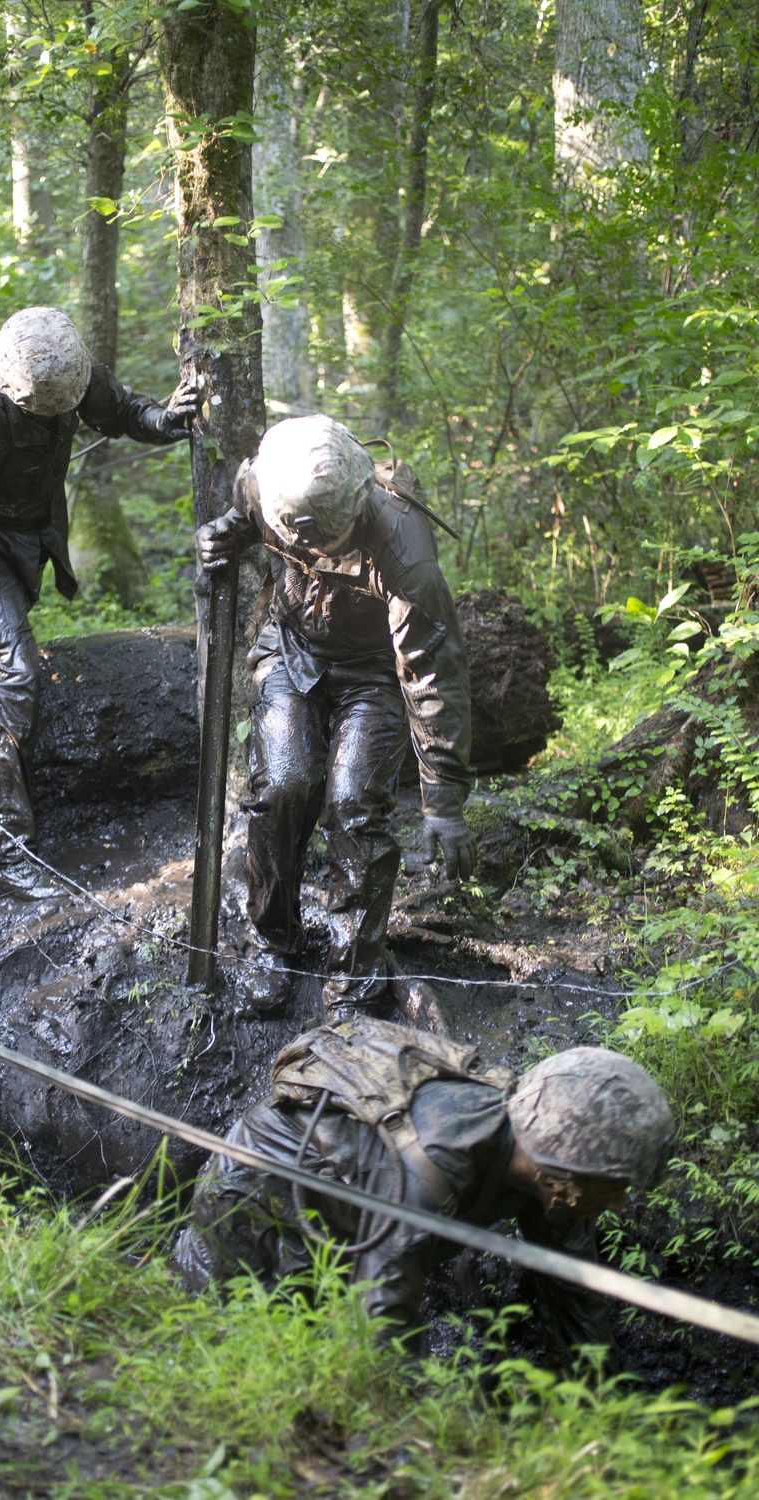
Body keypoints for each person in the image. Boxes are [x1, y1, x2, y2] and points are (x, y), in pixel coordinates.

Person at [0, 306, 197, 900]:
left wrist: (166, 419)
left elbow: (120, 410)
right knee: (15, 679)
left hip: (30, 540)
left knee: (1, 661)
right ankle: (4, 856)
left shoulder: (69, 372)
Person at [176, 1021, 675, 1364]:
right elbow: (385, 1315)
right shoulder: (436, 1163)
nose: (618, 1205)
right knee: (233, 1339)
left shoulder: (551, 1180)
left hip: (359, 1205)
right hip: (262, 1189)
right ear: (562, 1174)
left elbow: (576, 1299)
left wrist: (598, 1408)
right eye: (614, 1189)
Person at [197, 415, 473, 1018]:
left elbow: (431, 674)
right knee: (283, 785)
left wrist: (443, 798)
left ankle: (354, 977)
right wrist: (224, 534)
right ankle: (270, 941)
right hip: (293, 653)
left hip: (376, 674)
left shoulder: (404, 545)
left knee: (352, 807)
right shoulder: (264, 481)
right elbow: (246, 520)